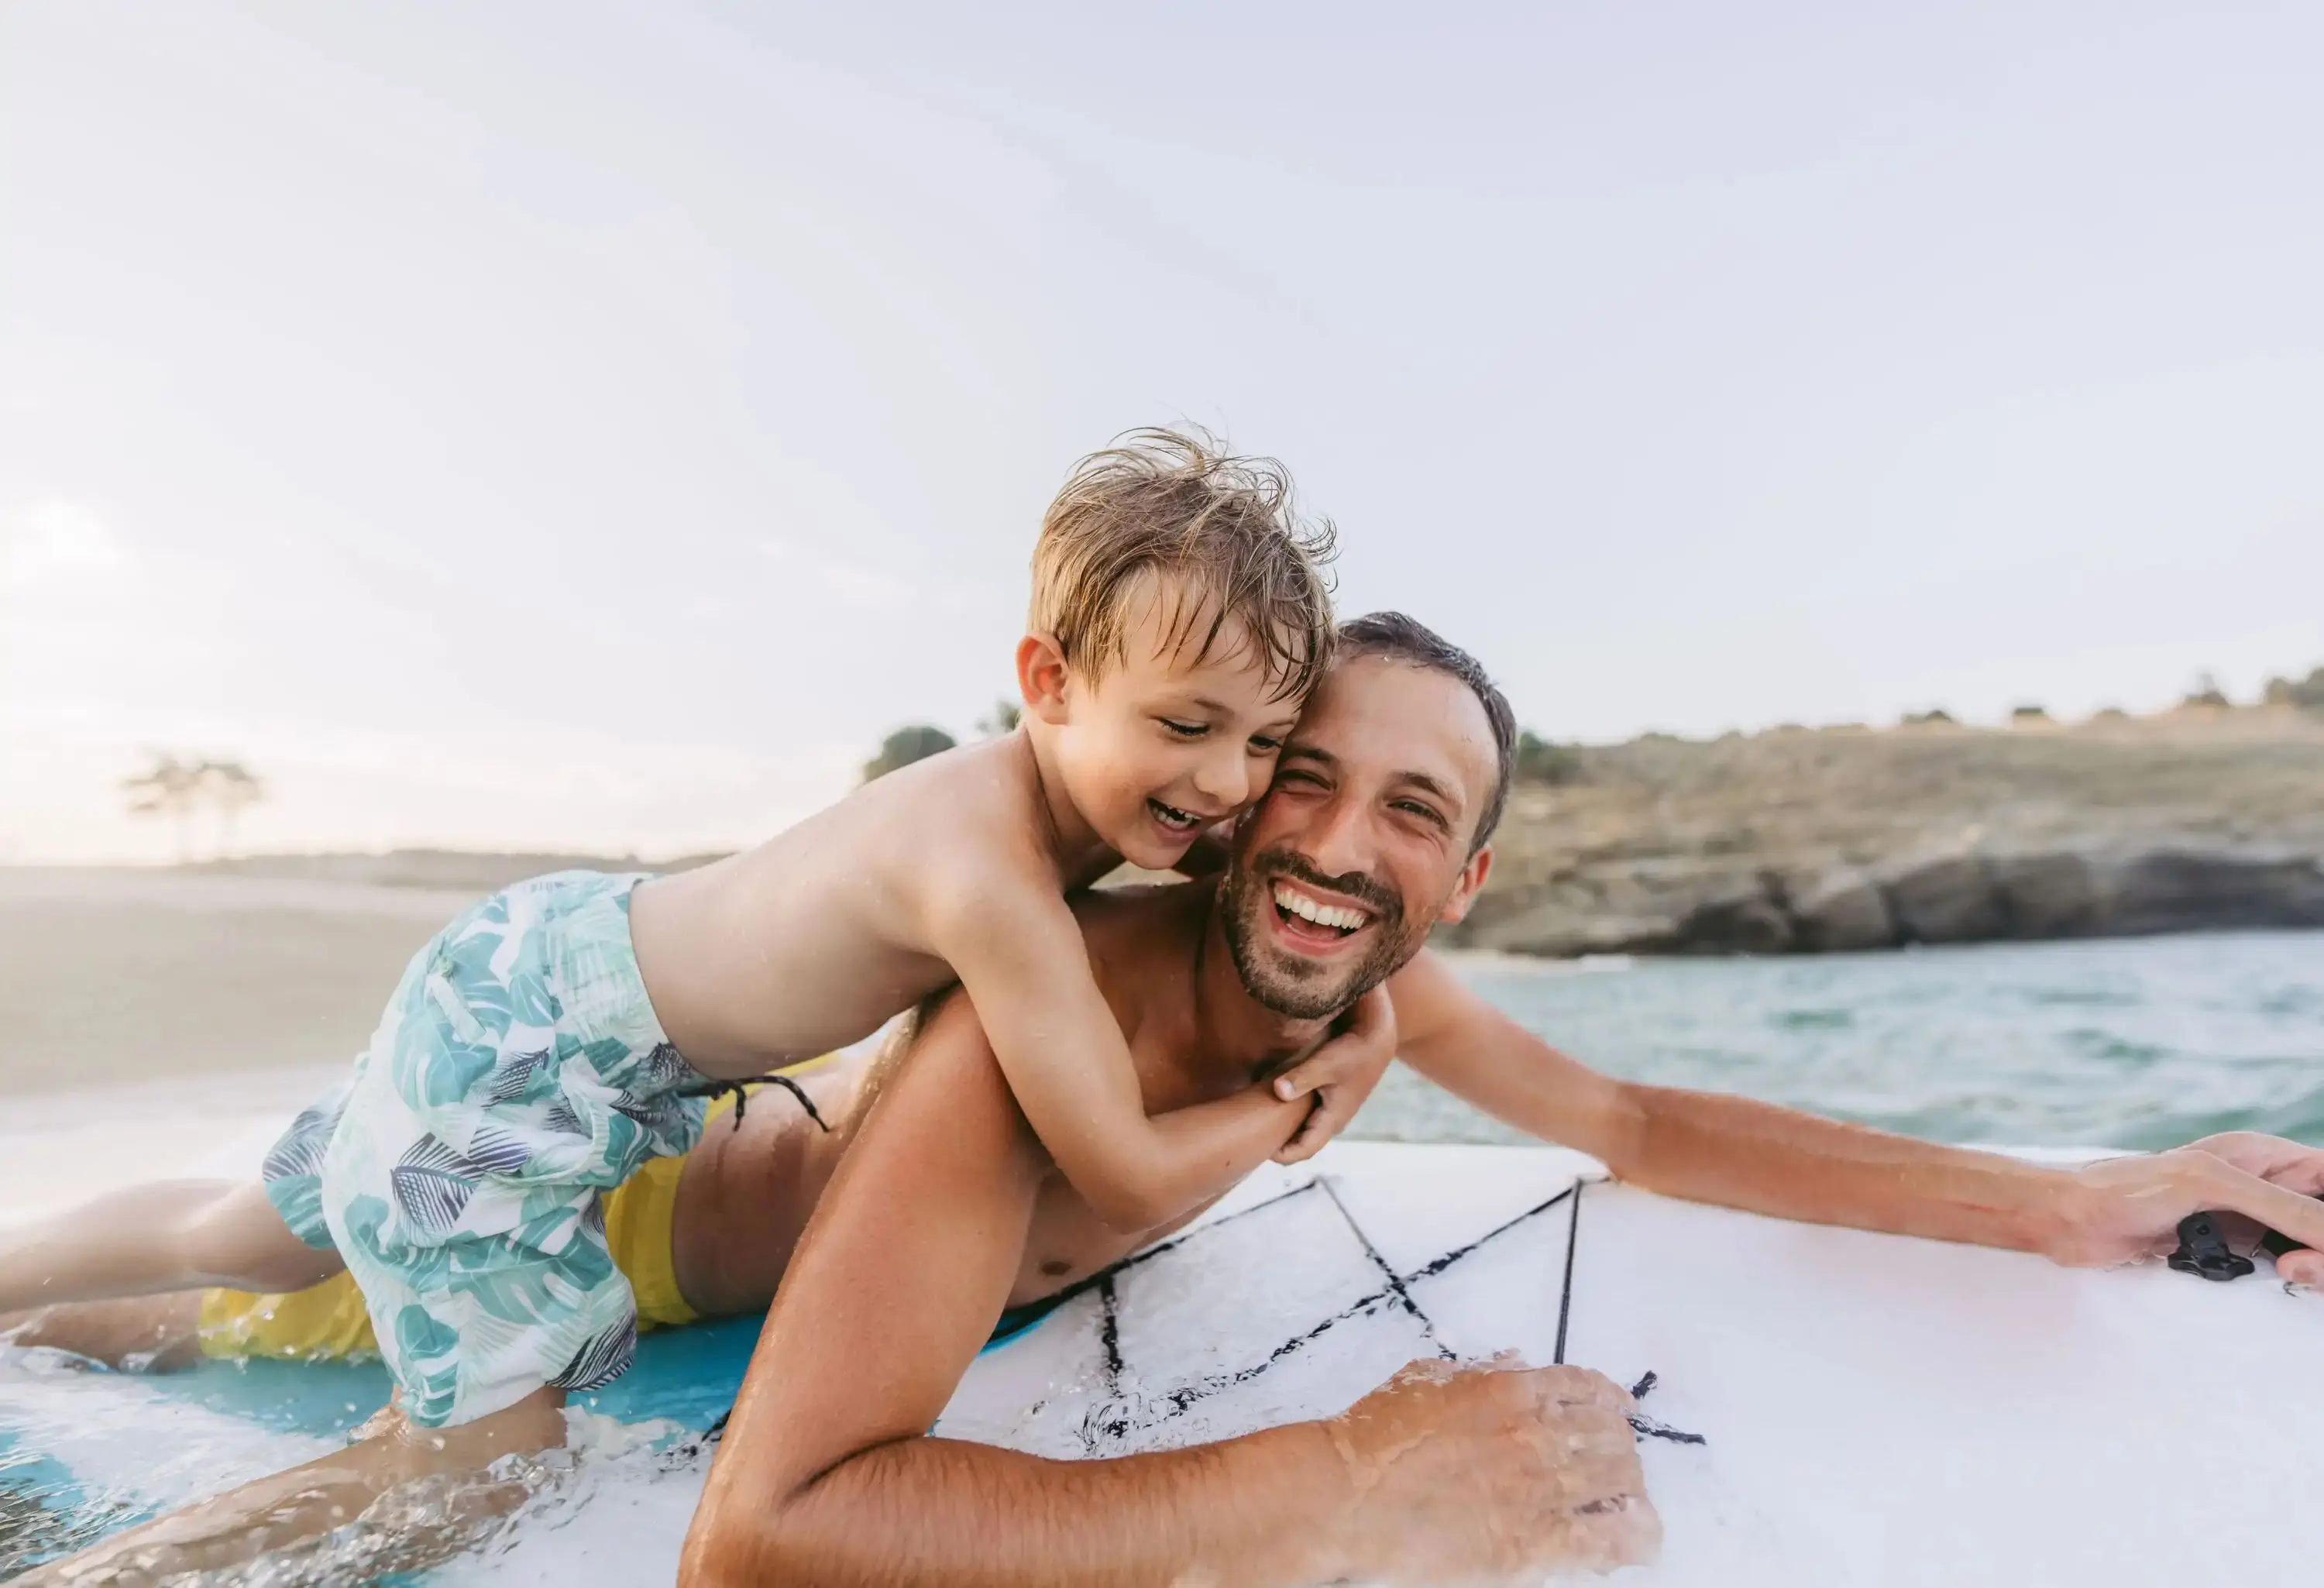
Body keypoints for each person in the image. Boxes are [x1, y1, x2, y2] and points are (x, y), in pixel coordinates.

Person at [0, 428, 1399, 1579]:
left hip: (528, 968)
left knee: (245, 1236)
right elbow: (1116, 1161)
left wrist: (1375, 1004)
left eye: (1267, 740)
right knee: (478, 1474)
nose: (1228, 784)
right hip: (534, 1070)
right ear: (1048, 683)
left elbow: (1289, 906)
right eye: (1188, 727)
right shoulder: (990, 881)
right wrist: (1306, 1091)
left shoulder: (1079, 806)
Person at [676, 613, 2324, 1586]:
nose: (1335, 844)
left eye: (1409, 808)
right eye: (1303, 773)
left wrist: (2063, 1196)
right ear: (1238, 792)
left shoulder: (1372, 983)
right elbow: (761, 1531)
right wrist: (1329, 1474)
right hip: (628, 1243)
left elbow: (1638, 1120)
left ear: (1464, 878)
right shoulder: (1032, 1037)